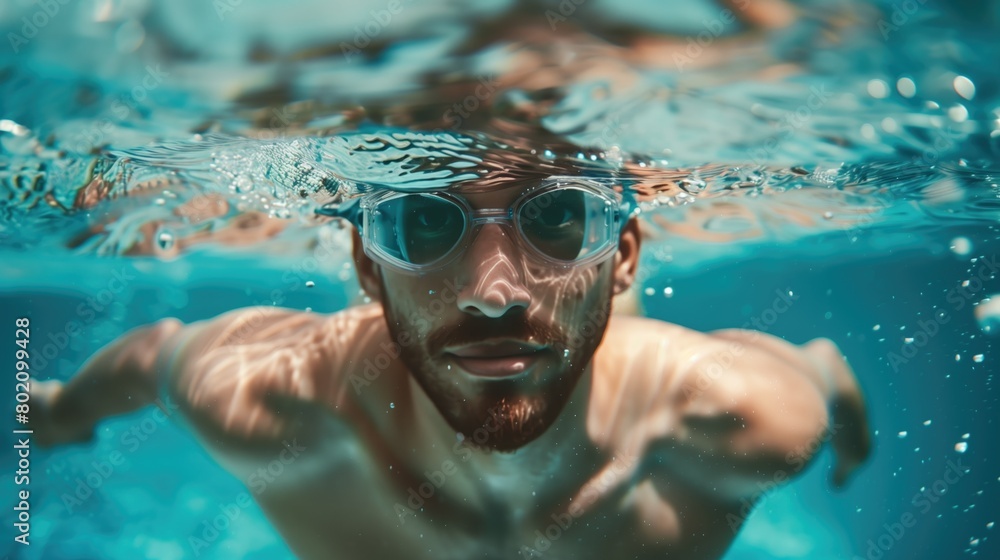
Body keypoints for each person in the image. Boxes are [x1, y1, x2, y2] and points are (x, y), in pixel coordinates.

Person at [33, 175, 871, 560]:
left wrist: (831, 381)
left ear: (621, 259)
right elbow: (151, 356)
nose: (492, 291)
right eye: (425, 225)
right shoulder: (271, 402)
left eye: (560, 217)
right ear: (366, 268)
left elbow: (812, 385)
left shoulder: (745, 420)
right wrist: (66, 408)